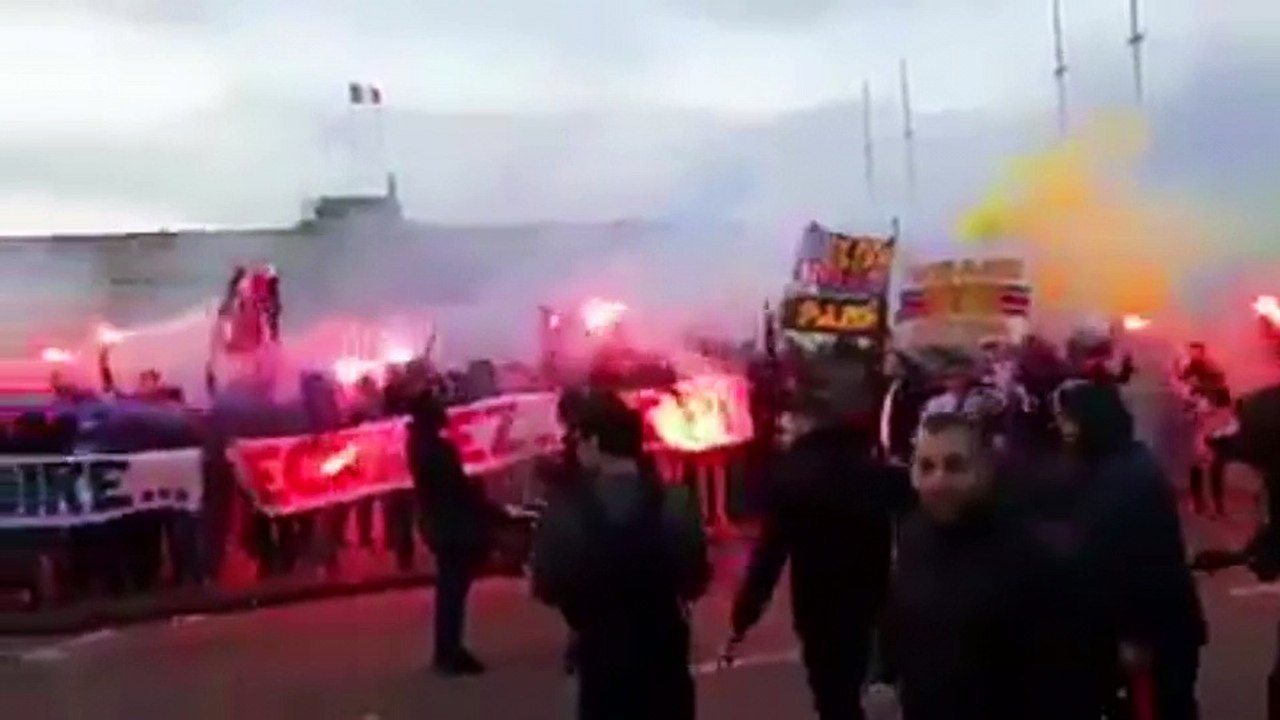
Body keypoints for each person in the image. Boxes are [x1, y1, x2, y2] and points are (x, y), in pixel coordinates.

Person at [725, 383, 911, 720]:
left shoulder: (793, 477)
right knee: (856, 680)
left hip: (816, 603)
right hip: (869, 598)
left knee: (830, 695)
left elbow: (770, 553)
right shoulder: (875, 475)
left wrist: (746, 612)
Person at [532, 390, 708, 720]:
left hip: (600, 649)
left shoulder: (567, 509)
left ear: (595, 442)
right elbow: (695, 576)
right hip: (663, 648)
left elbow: (547, 583)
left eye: (579, 439)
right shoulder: (675, 501)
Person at [1053, 381, 1207, 720]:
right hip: (1136, 634)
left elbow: (1148, 565)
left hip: (1152, 639)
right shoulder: (1111, 465)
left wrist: (1134, 635)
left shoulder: (1128, 480)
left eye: (1069, 420)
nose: (1064, 429)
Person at [406, 389, 499, 676]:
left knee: (449, 590)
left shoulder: (417, 444)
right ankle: (450, 651)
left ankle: (446, 649)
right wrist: (479, 493)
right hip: (453, 525)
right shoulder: (439, 449)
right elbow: (455, 487)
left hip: (439, 522)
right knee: (453, 590)